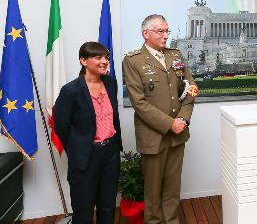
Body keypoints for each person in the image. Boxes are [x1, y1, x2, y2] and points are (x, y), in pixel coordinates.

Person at [123, 14, 198, 224]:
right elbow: (139, 103)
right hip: (153, 135)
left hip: (178, 133)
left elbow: (191, 89)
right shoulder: (133, 60)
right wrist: (170, 124)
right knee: (153, 190)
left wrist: (182, 120)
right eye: (160, 31)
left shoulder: (176, 56)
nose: (166, 35)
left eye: (167, 31)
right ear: (145, 33)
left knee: (173, 188)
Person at [54, 42, 122, 224]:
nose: (104, 61)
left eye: (106, 57)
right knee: (83, 211)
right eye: (97, 57)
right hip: (86, 156)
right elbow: (61, 126)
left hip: (110, 153)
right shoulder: (70, 91)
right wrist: (79, 150)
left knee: (108, 206)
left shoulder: (111, 83)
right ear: (83, 61)